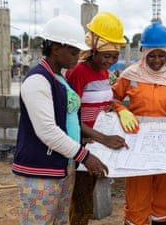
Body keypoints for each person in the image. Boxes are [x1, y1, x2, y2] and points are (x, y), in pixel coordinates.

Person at [12, 15, 109, 225]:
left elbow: (68, 119)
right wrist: (84, 156)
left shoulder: (60, 78)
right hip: (40, 169)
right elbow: (47, 131)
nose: (78, 57)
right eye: (74, 52)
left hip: (63, 165)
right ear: (56, 49)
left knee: (59, 221)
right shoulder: (38, 81)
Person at [111, 21, 166, 225]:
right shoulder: (130, 75)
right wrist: (122, 111)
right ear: (143, 52)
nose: (157, 60)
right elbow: (112, 99)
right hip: (137, 148)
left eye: (161, 55)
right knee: (137, 200)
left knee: (163, 201)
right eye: (152, 55)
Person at [65, 11, 128, 225]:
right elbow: (71, 116)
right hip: (83, 145)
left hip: (97, 143)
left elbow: (99, 104)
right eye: (106, 55)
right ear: (93, 50)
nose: (110, 61)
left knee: (87, 200)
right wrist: (103, 138)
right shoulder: (78, 72)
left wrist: (113, 111)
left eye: (115, 56)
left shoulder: (103, 72)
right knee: (82, 205)